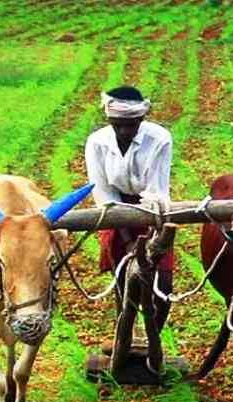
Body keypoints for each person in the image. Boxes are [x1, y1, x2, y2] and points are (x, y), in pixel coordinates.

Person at [85, 85, 174, 334]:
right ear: (109, 119)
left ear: (142, 119)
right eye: (118, 125)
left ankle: (152, 338)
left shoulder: (159, 138)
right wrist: (126, 240)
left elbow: (156, 189)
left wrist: (153, 240)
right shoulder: (97, 143)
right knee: (124, 278)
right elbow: (103, 193)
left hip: (152, 209)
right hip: (115, 211)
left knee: (163, 285)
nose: (124, 131)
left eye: (131, 124)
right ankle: (126, 334)